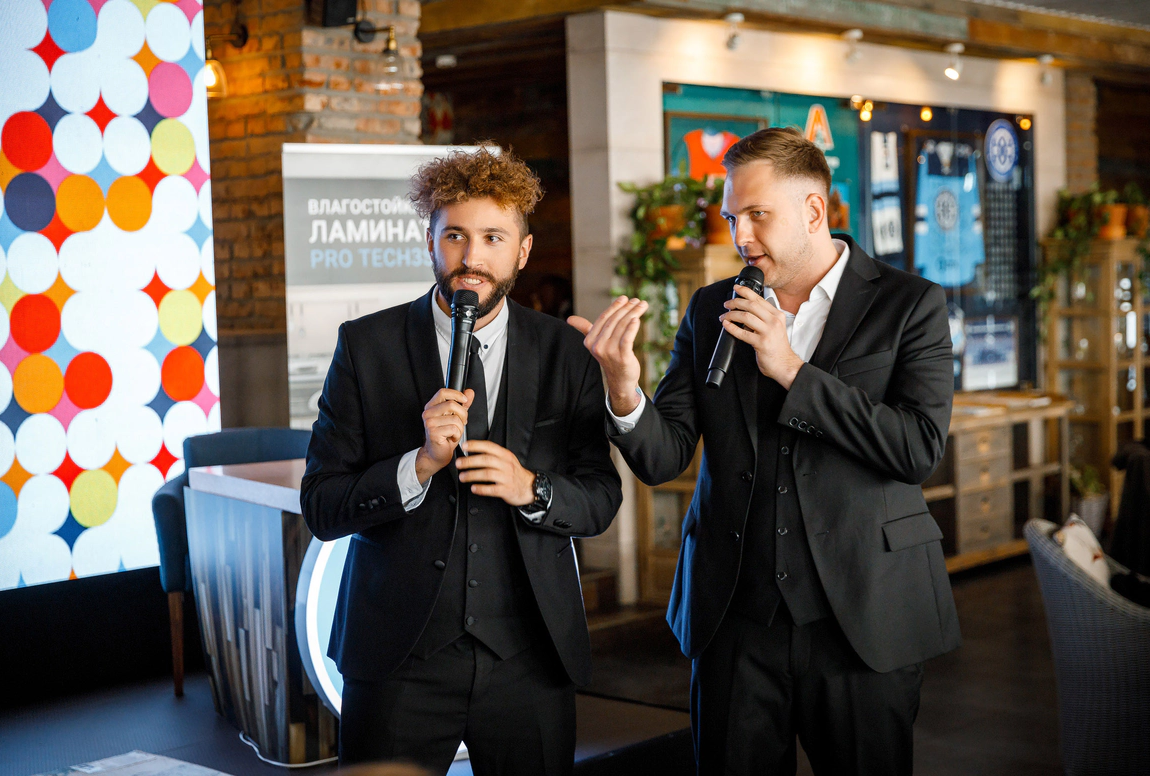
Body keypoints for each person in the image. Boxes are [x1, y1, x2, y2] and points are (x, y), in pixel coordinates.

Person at [569, 126, 961, 775]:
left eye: (757, 214)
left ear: (814, 210)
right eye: (731, 218)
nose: (740, 236)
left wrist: (792, 370)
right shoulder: (711, 308)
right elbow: (664, 457)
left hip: (864, 615)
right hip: (733, 619)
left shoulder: (909, 303)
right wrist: (623, 388)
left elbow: (917, 448)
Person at [302, 146, 622, 775]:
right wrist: (418, 464)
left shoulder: (567, 353)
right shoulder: (365, 347)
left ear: (522, 252)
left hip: (530, 659)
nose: (471, 257)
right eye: (455, 236)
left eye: (493, 238)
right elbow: (321, 505)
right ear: (430, 240)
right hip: (398, 659)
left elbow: (600, 499)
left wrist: (532, 487)